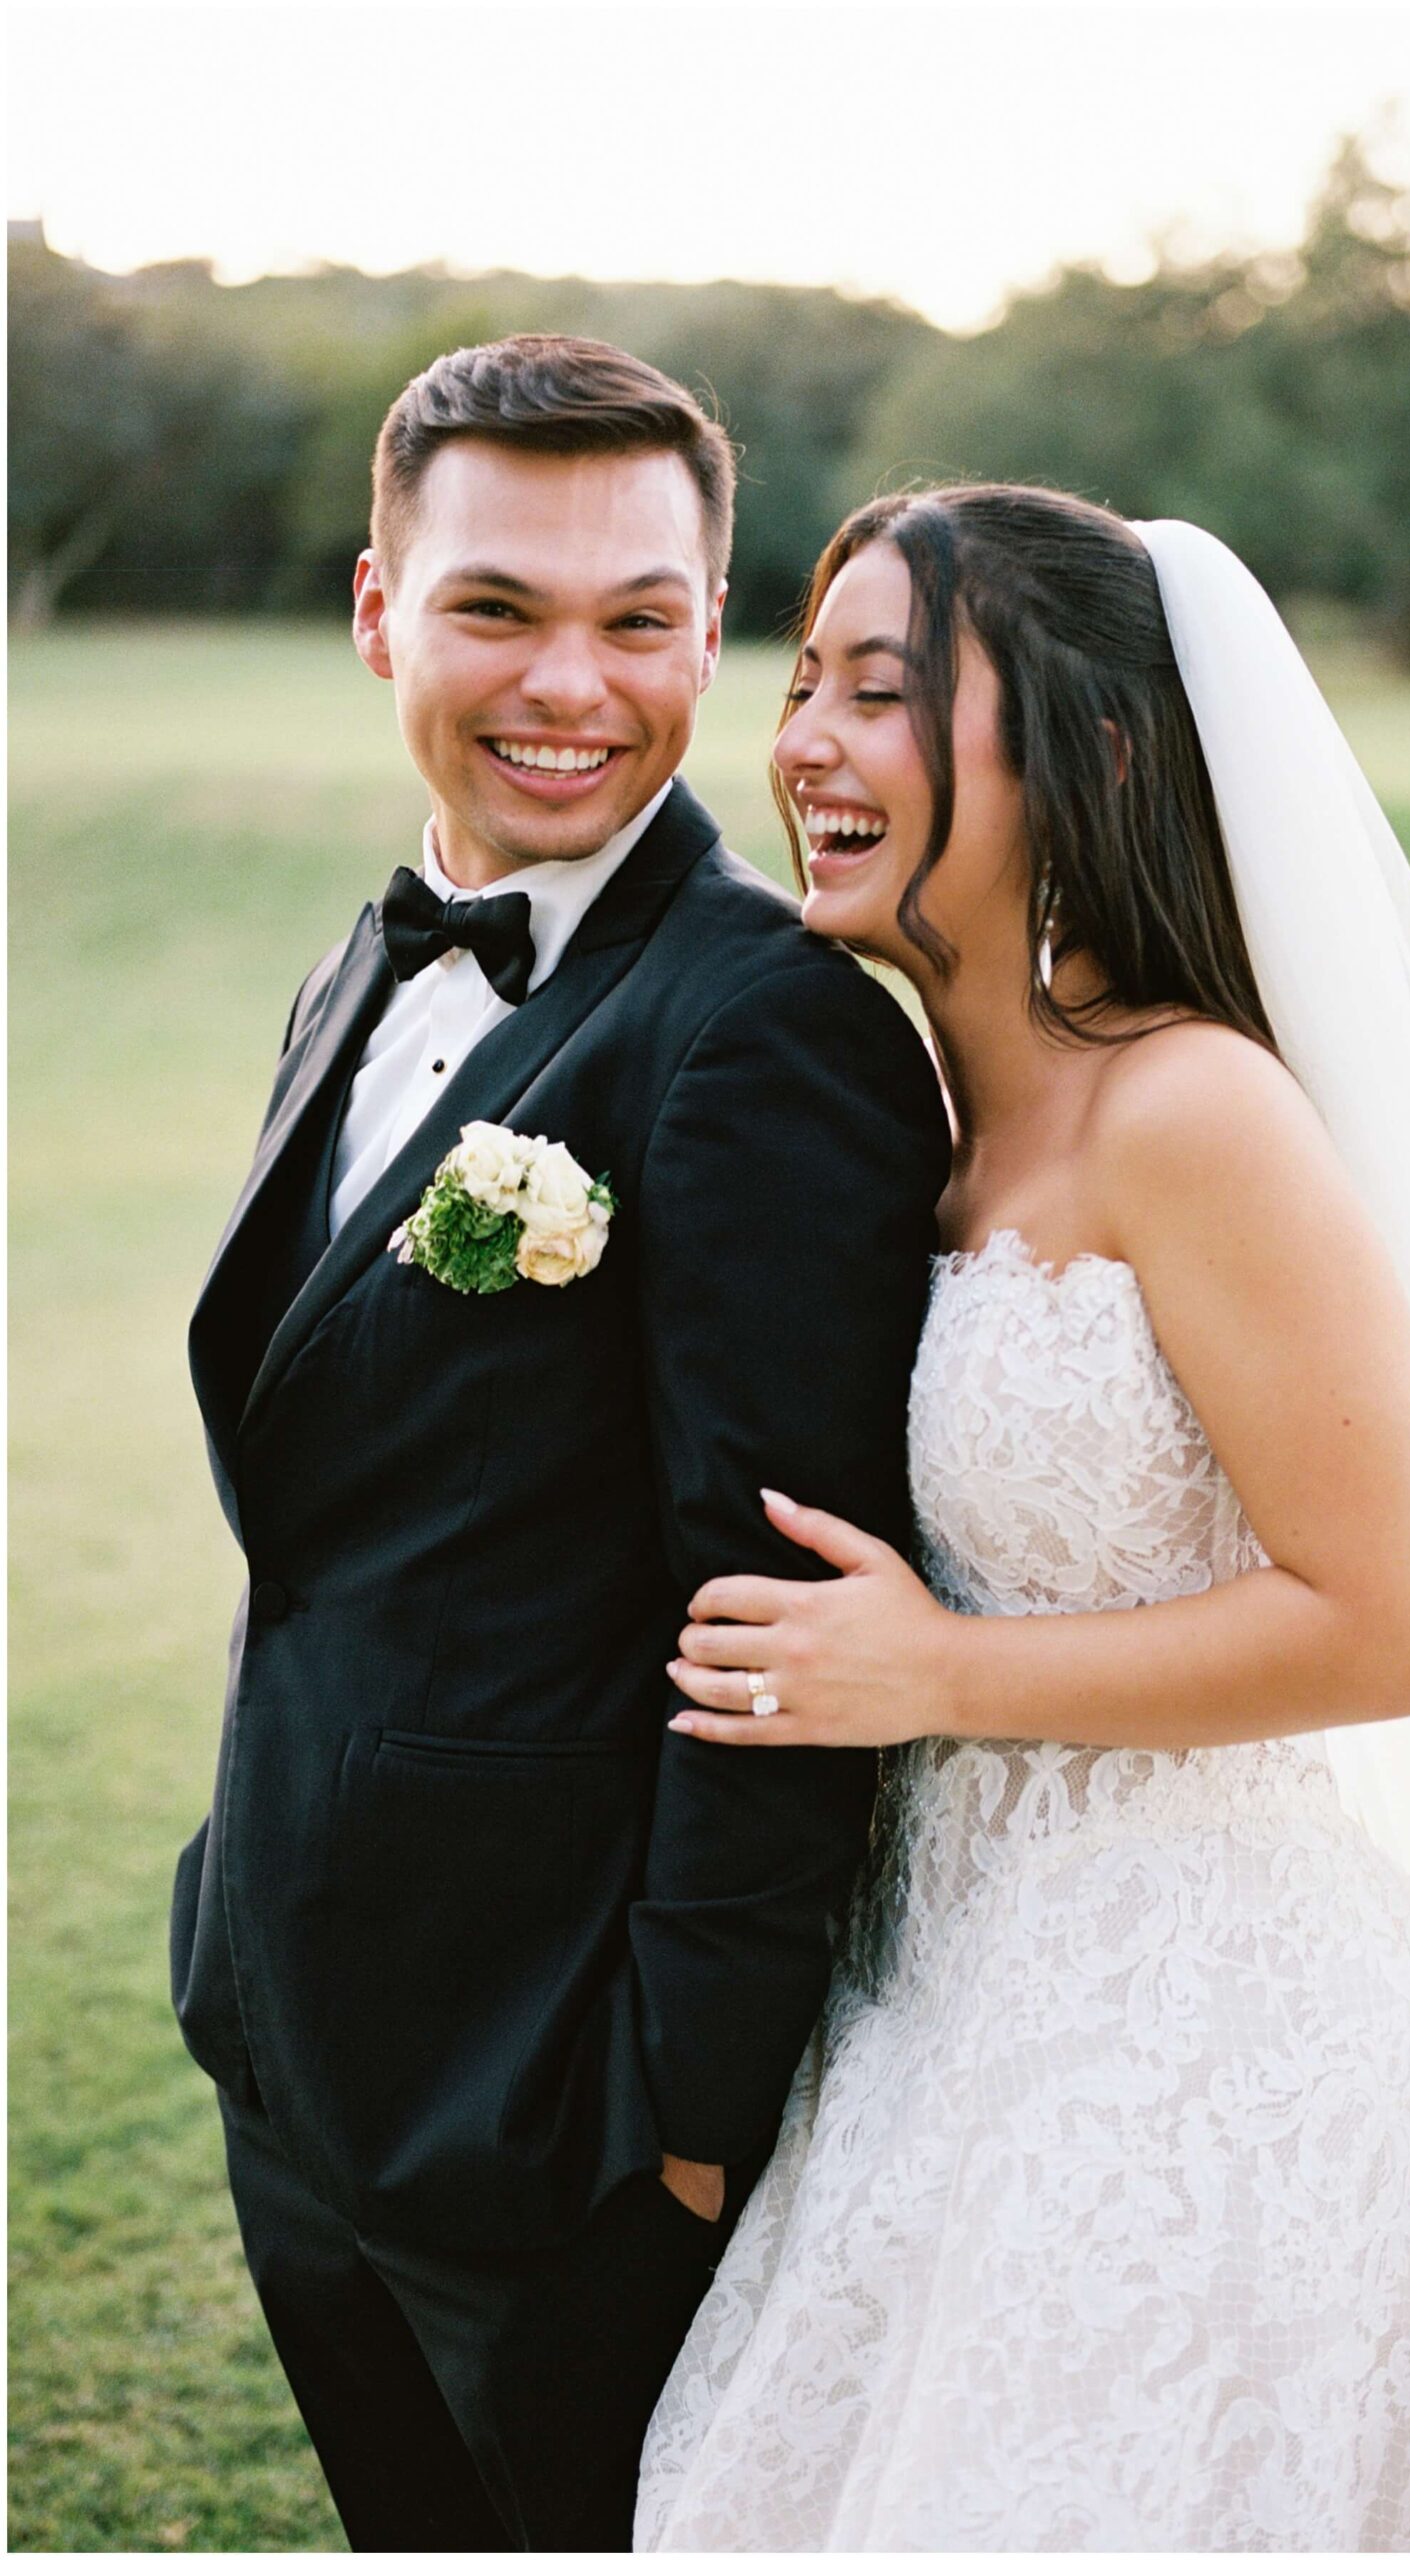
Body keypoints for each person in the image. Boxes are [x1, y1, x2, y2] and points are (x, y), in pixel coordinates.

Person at [636, 488, 1410, 2552]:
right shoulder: (937, 1117)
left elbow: (1402, 1622)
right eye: (800, 684)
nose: (805, 745)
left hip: (1189, 2031)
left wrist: (940, 1672)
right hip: (942, 1981)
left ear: (1096, 751)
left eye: (882, 692)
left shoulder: (1191, 1109)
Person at [169, 337, 949, 2553]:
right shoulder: (366, 959)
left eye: (638, 620)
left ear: (711, 637)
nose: (571, 687)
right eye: (496, 607)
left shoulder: (767, 1029)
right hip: (294, 2026)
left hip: (556, 2117)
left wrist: (678, 2140)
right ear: (378, 612)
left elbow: (781, 1621)